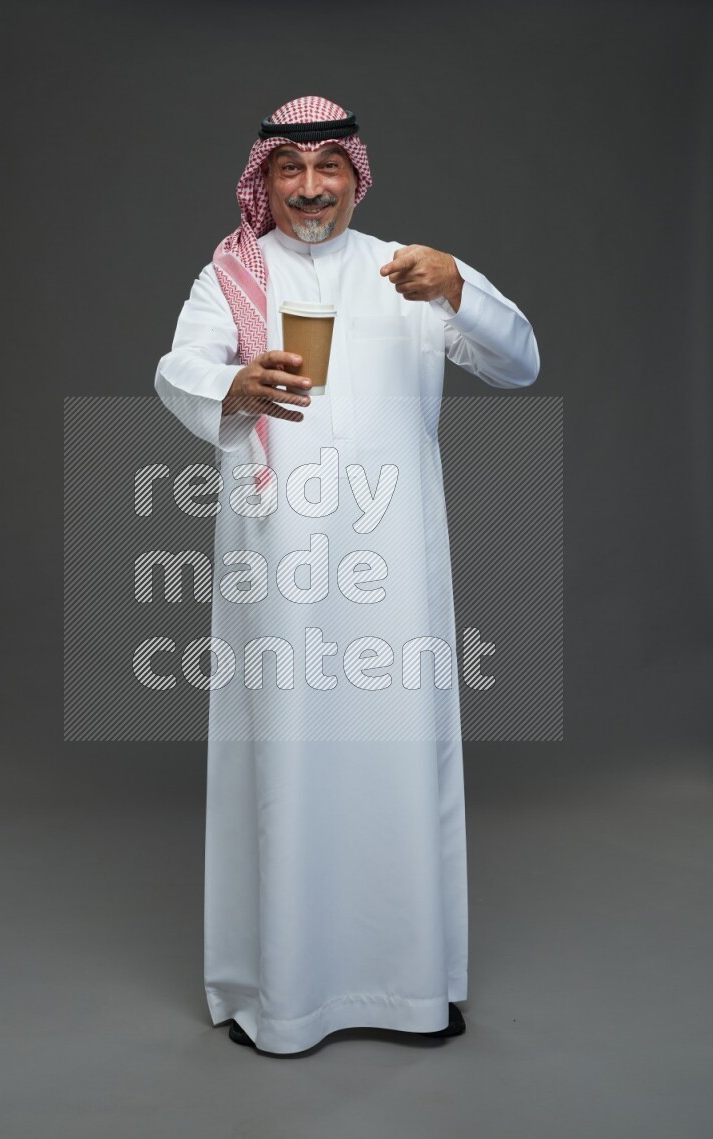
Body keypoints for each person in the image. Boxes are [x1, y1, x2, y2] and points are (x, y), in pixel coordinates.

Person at [154, 95, 539, 1055]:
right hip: (276, 567)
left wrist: (461, 291)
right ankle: (283, 994)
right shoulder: (231, 276)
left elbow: (520, 362)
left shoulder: (407, 271)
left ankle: (411, 989)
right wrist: (228, 385)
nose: (312, 186)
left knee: (400, 757)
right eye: (292, 168)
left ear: (357, 176)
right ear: (266, 179)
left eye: (330, 165)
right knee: (282, 758)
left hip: (393, 572)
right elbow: (177, 369)